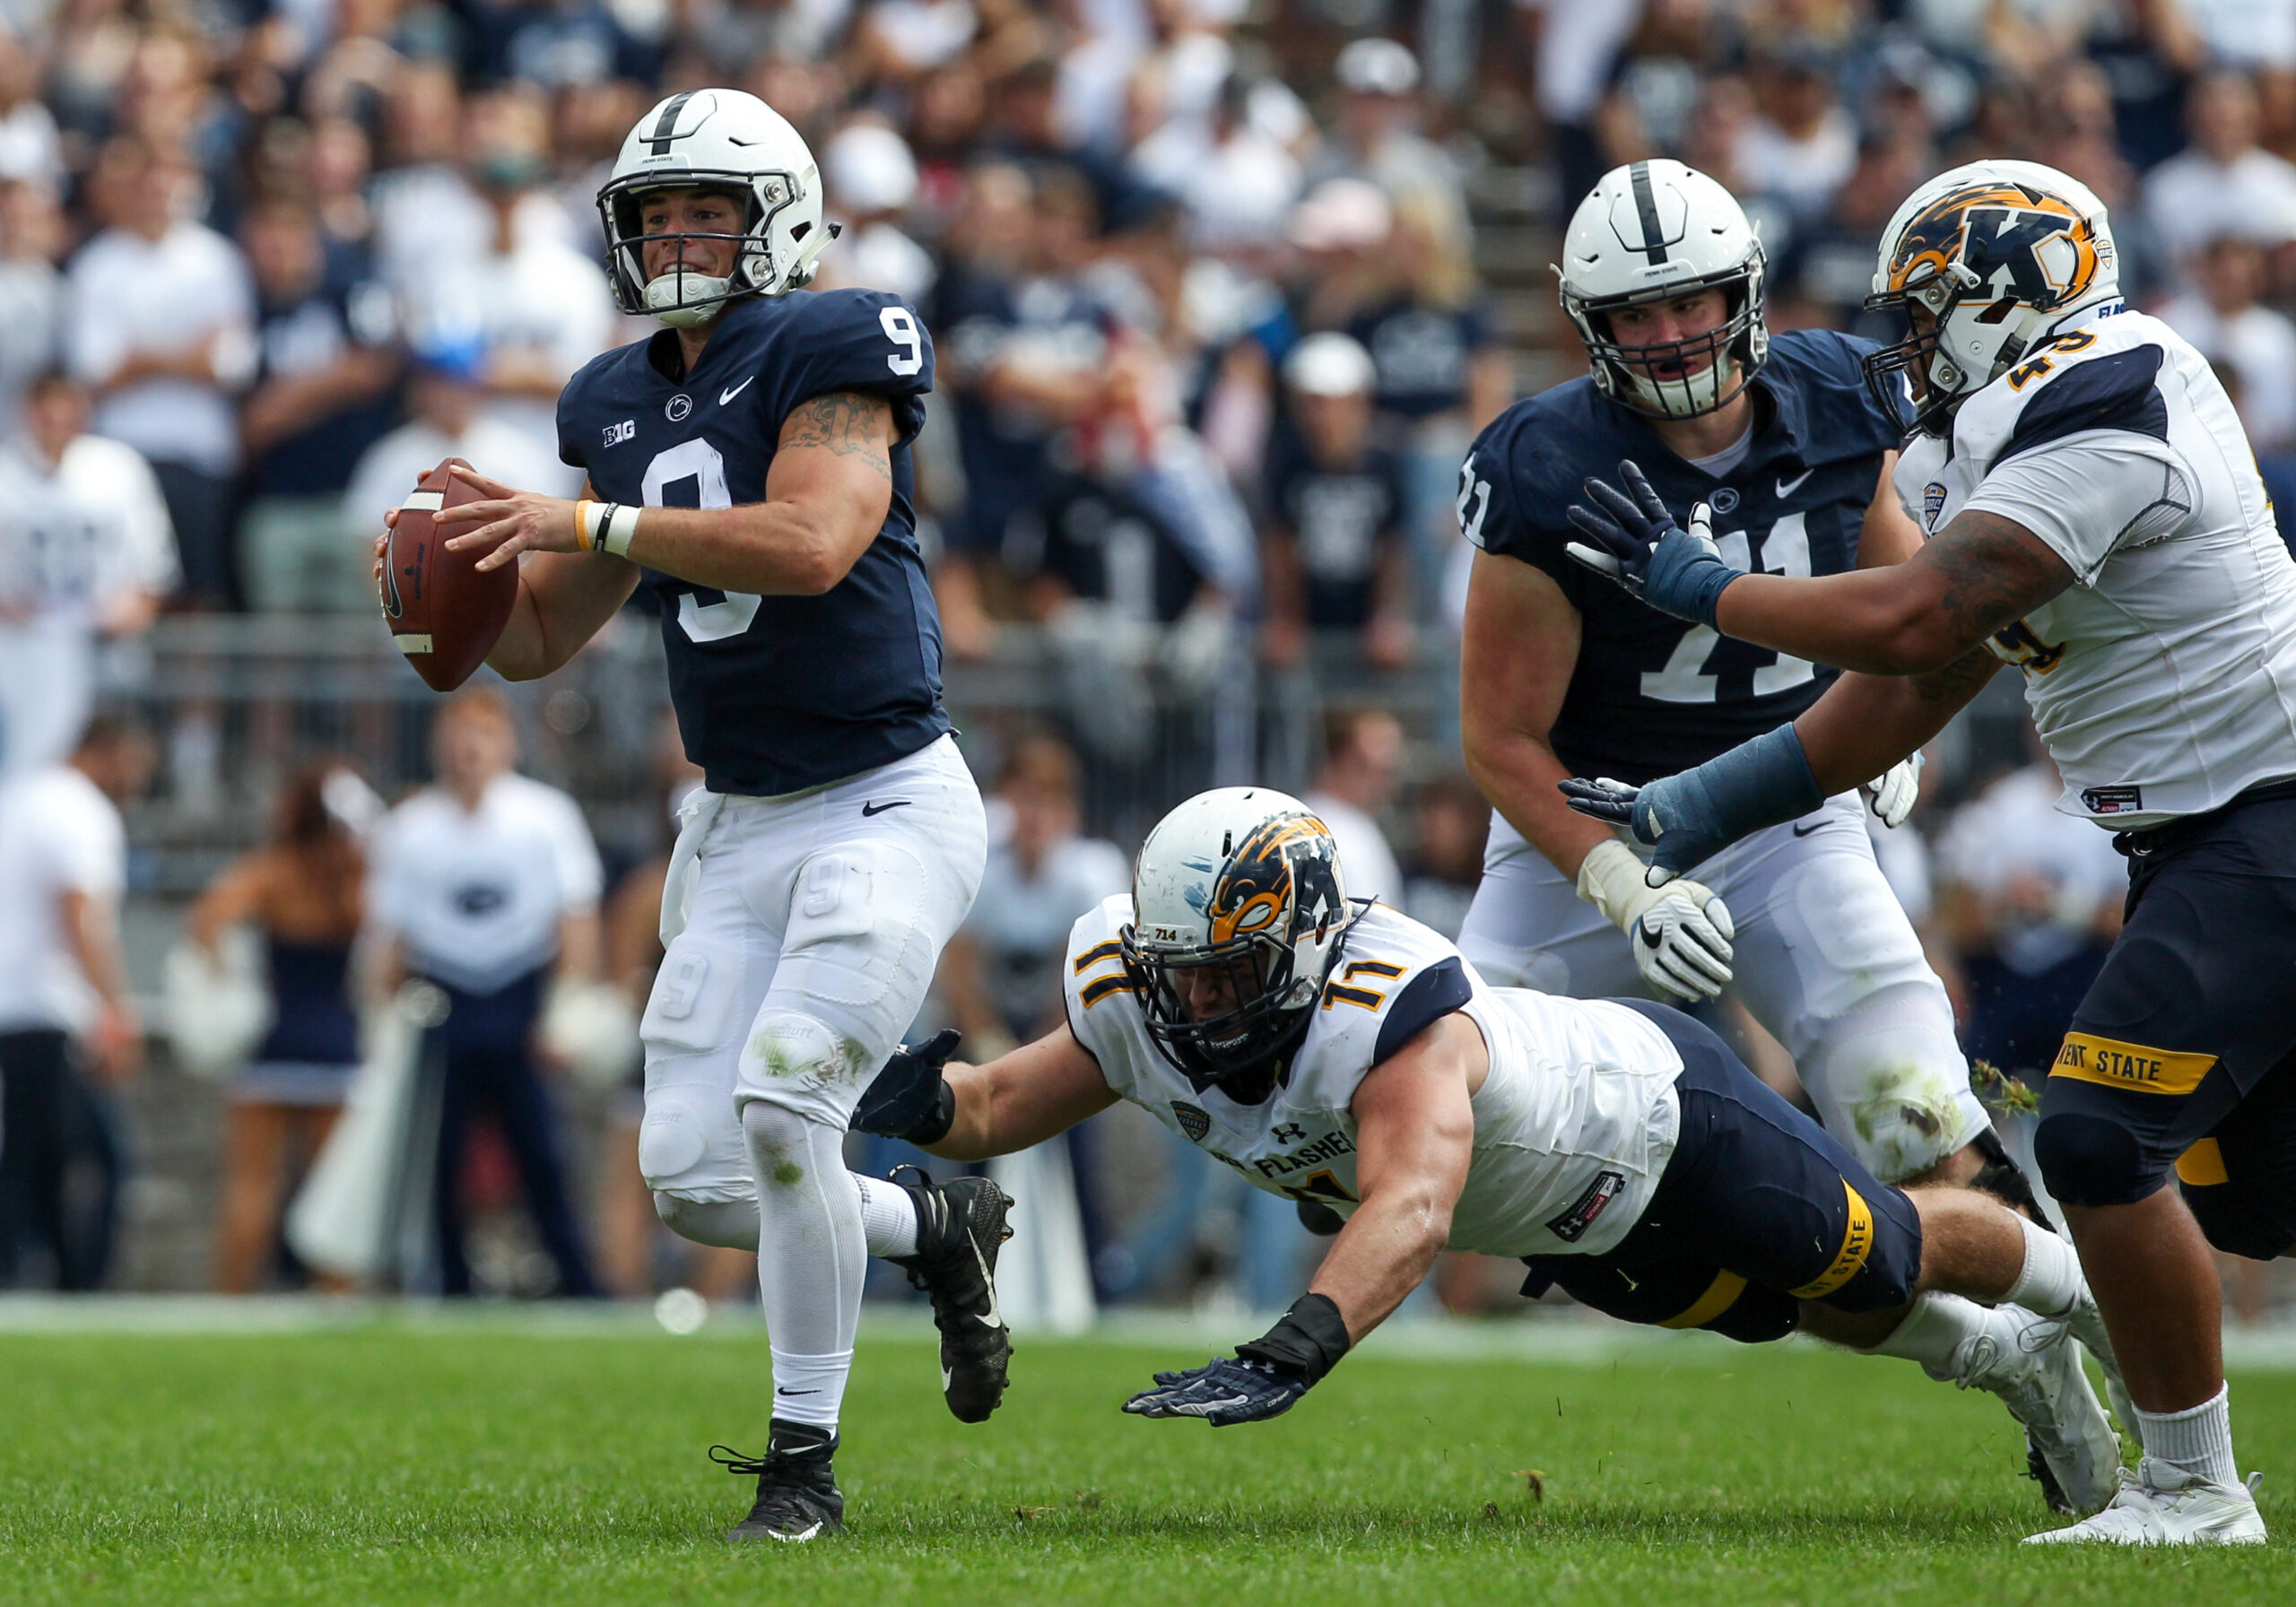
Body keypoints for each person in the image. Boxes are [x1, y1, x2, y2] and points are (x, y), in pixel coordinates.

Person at [1552, 160, 2296, 1546]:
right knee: (2252, 1190)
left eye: (1927, 308)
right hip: (2206, 830)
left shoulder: (2112, 383)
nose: (1906, 340)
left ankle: (2193, 1493)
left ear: (2011, 290)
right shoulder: (1990, 433)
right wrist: (1692, 809)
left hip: (2267, 812)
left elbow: (1916, 619)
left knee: (2094, 1134)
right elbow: (1920, 686)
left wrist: (1709, 588)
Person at [851, 787, 2125, 1516]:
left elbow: (1410, 1204)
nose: (1198, 1006)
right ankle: (2015, 1363)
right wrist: (924, 1104)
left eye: (1231, 972)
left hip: (1659, 1118)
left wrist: (1295, 1346)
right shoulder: (1142, 996)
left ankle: (2098, 1314)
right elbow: (1005, 1105)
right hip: (1569, 1223)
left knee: (1882, 1251)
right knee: (1805, 1309)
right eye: (1182, 977)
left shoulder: (1391, 1007)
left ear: (1299, 938)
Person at [386, 89, 998, 1543]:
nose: (672, 235)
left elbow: (813, 538)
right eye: (651, 214)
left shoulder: (837, 340)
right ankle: (938, 1223)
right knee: (703, 1180)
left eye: (703, 210)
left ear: (774, 218)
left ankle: (804, 1468)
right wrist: (436, 596)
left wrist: (579, 520)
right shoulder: (609, 397)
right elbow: (542, 640)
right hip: (734, 821)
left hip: (884, 798)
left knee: (790, 1096)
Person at [1452, 161, 2008, 1215]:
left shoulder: (1841, 394)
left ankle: (2057, 1352)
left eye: (1688, 300)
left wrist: (1886, 735)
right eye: (1636, 312)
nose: (1667, 333)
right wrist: (1621, 881)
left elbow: (1895, 601)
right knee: (1453, 1108)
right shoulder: (1547, 460)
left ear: (1743, 292)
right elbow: (1500, 738)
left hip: (1786, 801)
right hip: (1592, 821)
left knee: (1918, 1111)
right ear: (1590, 323)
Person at [362, 690, 605, 1302]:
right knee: (436, 1156)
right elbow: (387, 936)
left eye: (483, 733)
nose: (468, 748)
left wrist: (567, 1009)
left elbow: (576, 918)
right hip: (443, 999)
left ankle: (577, 1282)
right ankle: (447, 1282)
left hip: (521, 996)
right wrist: (380, 1015)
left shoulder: (545, 817)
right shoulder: (408, 828)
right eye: (457, 732)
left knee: (542, 1152)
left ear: (508, 744)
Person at [187, 760, 376, 1292]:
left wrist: (230, 978)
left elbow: (206, 920)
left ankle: (231, 1306)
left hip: (272, 1042)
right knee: (334, 1193)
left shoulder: (270, 871)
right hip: (337, 1043)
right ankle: (337, 1303)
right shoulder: (356, 874)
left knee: (252, 1188)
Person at [0, 715, 152, 1289]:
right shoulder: (79, 810)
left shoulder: (20, 797)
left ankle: (40, 1273)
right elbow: (81, 917)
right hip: (46, 1005)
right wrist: (113, 1009)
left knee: (32, 1155)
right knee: (98, 1157)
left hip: (15, 1001)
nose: (134, 781)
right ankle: (72, 1281)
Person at [0, 369, 175, 777]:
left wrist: (120, 615)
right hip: (16, 654)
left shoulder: (118, 470)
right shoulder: (6, 474)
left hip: (107, 652)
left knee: (111, 764)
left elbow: (153, 570)